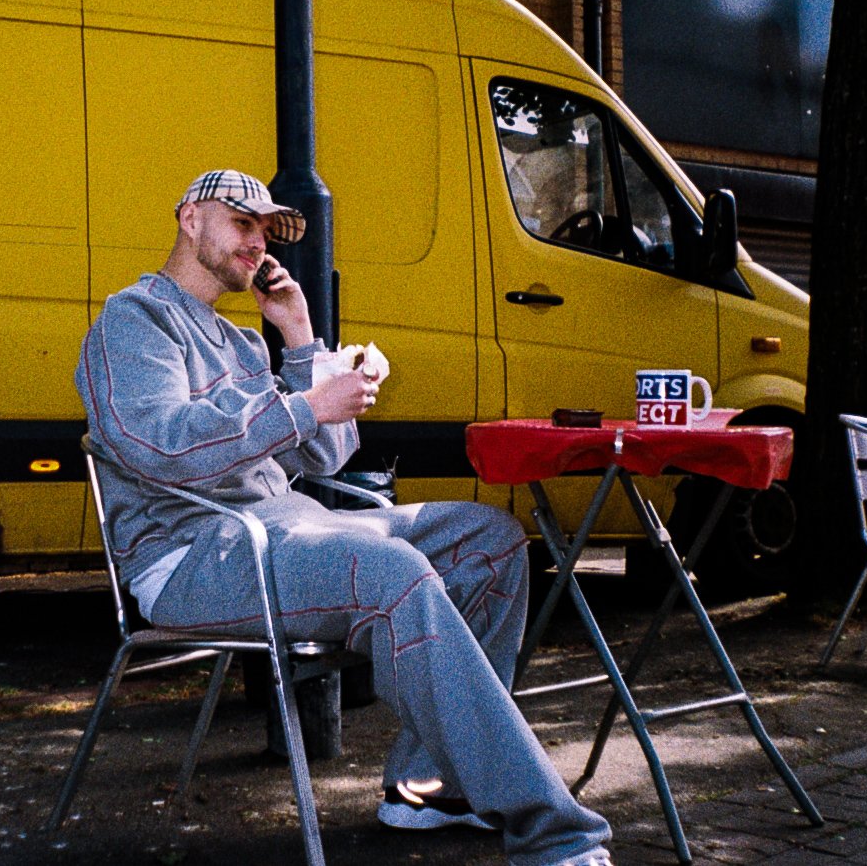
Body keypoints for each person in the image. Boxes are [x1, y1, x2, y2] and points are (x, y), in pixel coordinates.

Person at [75, 169, 613, 866]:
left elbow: (323, 458)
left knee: (490, 539)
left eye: (266, 231)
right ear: (189, 219)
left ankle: (430, 786)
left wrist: (301, 340)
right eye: (243, 223)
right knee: (391, 574)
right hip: (193, 555)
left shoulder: (241, 342)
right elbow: (158, 445)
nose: (257, 242)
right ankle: (554, 834)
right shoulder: (135, 318)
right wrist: (303, 404)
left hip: (290, 528)